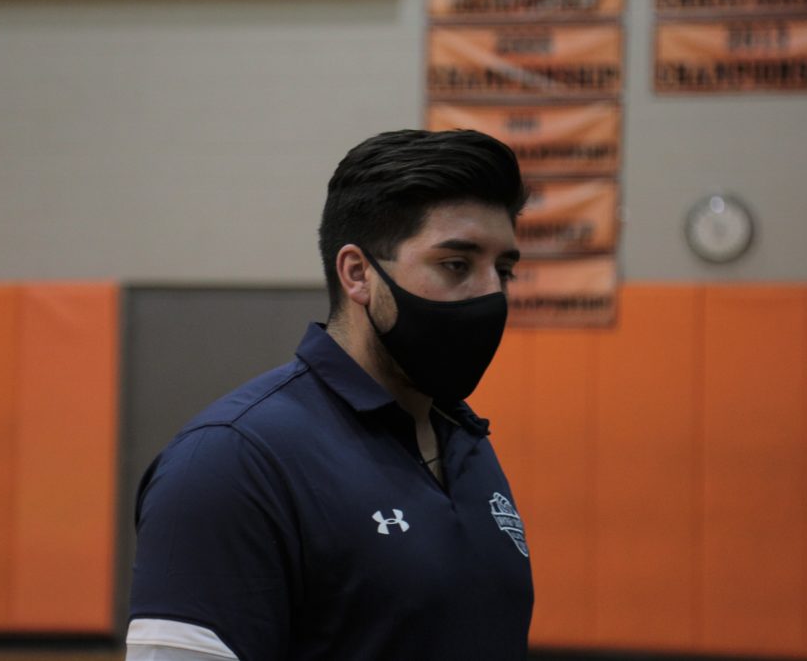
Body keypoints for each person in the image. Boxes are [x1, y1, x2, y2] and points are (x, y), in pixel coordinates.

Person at [126, 129, 534, 661]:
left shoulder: (465, 441)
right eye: (456, 265)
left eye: (503, 270)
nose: (491, 294)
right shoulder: (231, 461)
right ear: (358, 274)